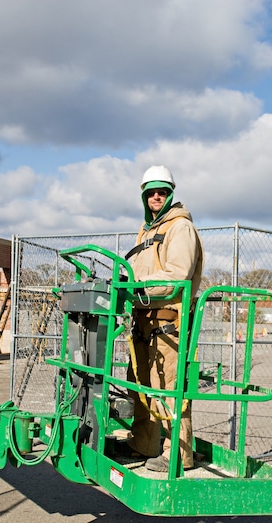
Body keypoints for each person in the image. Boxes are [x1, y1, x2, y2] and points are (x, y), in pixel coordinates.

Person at [117, 165, 204, 472]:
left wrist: (134, 291)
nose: (156, 196)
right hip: (143, 321)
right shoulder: (148, 229)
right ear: (144, 195)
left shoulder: (180, 227)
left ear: (170, 194)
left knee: (169, 387)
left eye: (162, 191)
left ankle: (179, 455)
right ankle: (144, 443)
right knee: (140, 385)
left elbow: (176, 277)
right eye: (151, 192)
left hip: (168, 323)